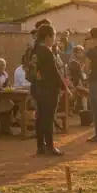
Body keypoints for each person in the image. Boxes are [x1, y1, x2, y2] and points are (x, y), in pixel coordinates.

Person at [29, 23, 68, 155]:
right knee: (49, 118)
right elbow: (54, 72)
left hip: (38, 88)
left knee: (40, 118)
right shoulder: (47, 52)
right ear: (48, 37)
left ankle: (41, 146)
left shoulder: (34, 52)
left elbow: (32, 73)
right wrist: (64, 87)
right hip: (49, 89)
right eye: (53, 36)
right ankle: (50, 146)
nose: (54, 39)